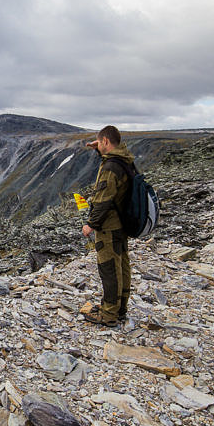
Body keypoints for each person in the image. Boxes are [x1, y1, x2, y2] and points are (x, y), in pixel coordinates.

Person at [81, 125, 134, 327]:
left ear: (105, 141)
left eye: (100, 142)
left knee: (109, 268)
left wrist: (90, 224)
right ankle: (120, 309)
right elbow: (111, 164)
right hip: (122, 224)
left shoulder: (111, 167)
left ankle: (109, 314)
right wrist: (98, 149)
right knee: (121, 266)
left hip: (109, 226)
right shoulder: (124, 159)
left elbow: (103, 199)